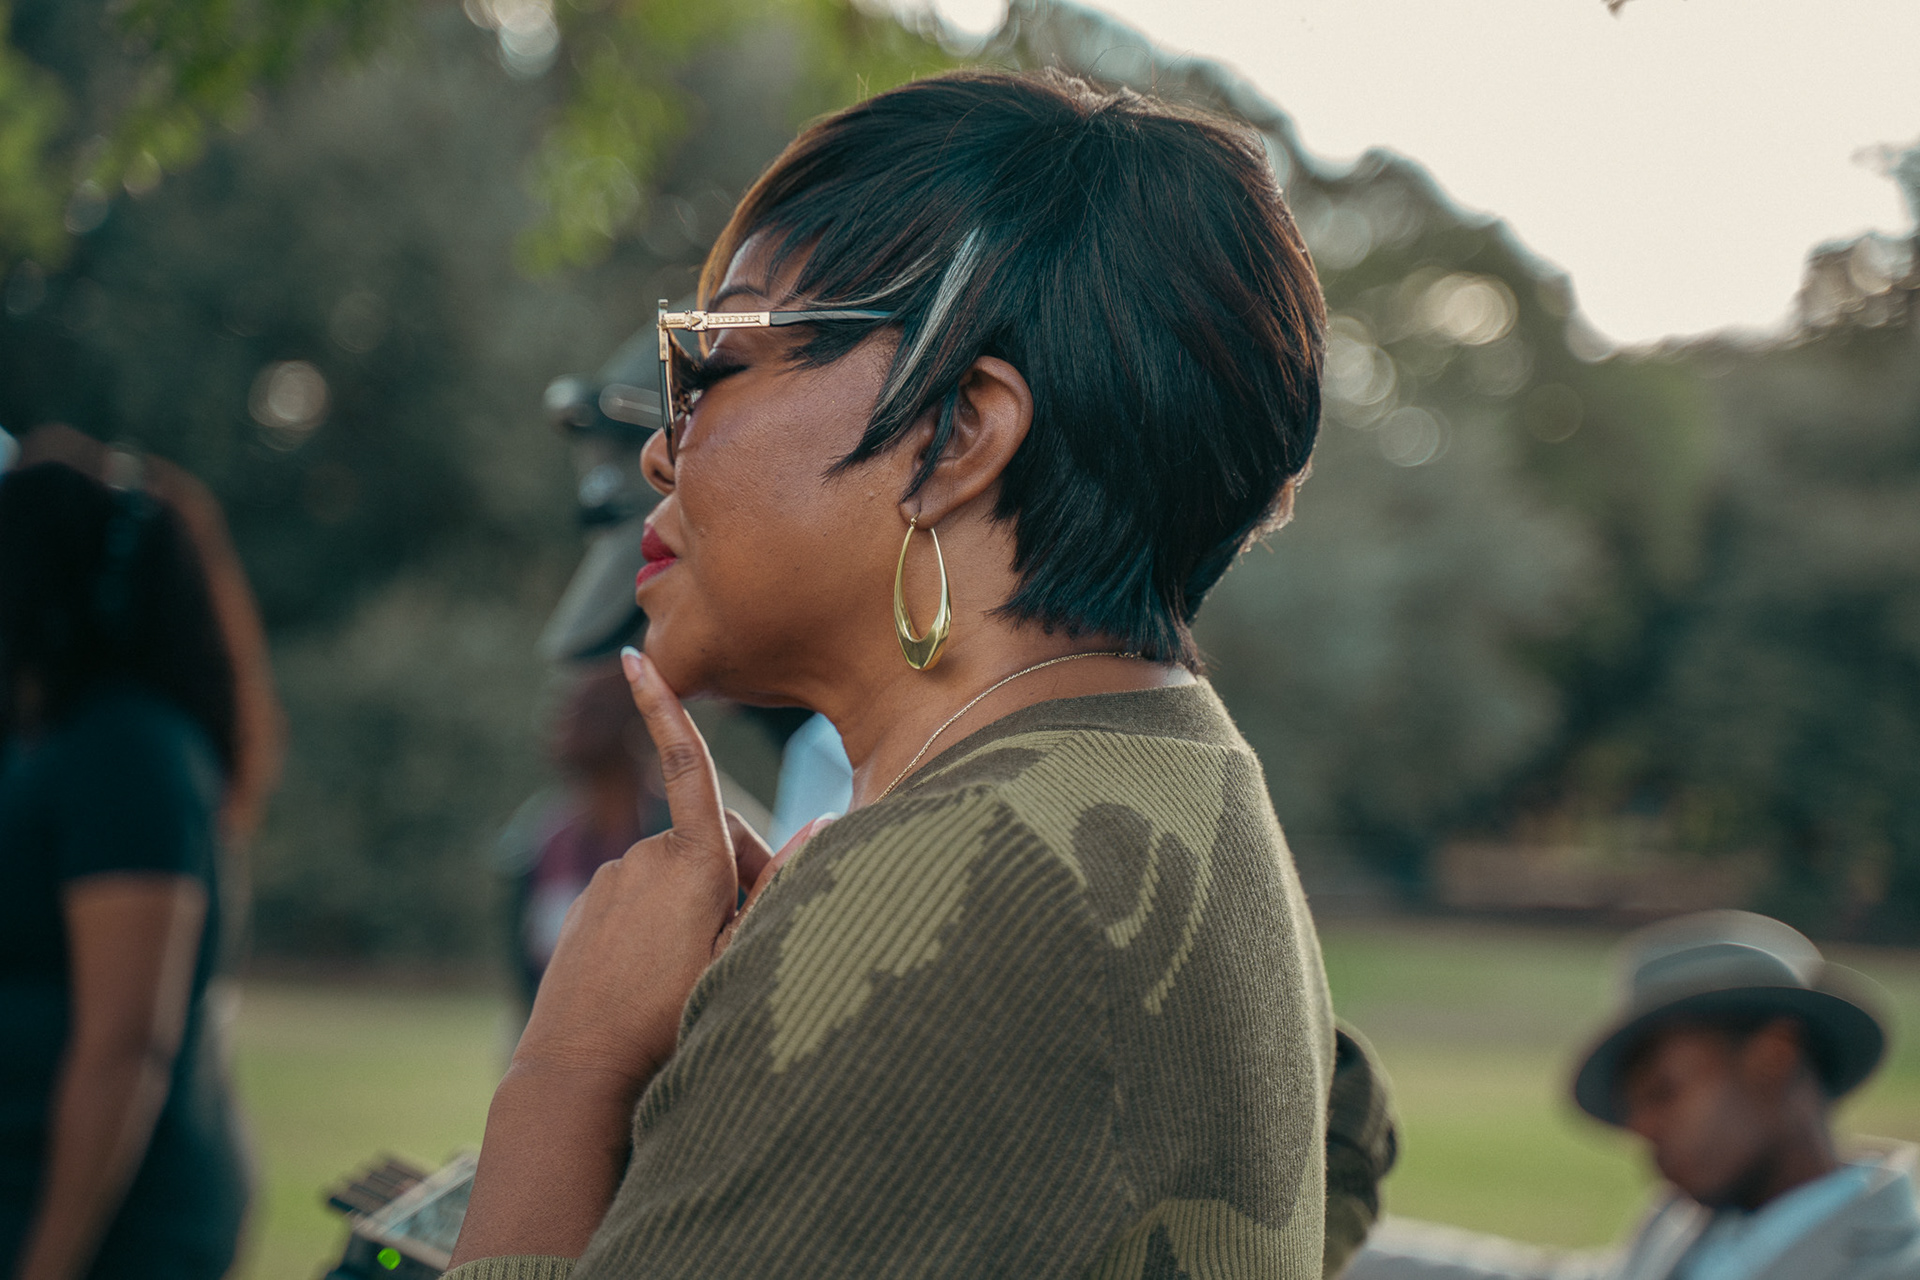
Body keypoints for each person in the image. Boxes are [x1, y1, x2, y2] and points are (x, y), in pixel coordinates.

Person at [445, 68, 1331, 1278]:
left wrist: (572, 1067)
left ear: (955, 434)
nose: (659, 448)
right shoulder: (1179, 781)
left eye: (712, 364)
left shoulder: (940, 894)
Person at [1345, 910, 1920, 1280]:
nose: (1640, 1127)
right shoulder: (1681, 1223)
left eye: (1664, 1091)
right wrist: (1329, 1232)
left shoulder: (1896, 1257)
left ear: (1774, 1056)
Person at [0, 460, 253, 1279]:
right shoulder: (46, 744)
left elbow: (127, 1045)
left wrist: (47, 1266)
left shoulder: (128, 752)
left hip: (112, 1234)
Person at [498, 661, 672, 1006]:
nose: (568, 718)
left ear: (637, 725)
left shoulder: (685, 835)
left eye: (593, 709)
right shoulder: (537, 842)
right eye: (564, 706)